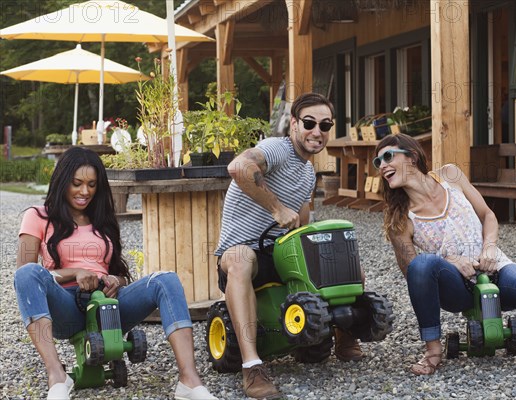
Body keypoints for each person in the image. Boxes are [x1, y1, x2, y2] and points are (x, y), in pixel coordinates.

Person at [373, 133, 516, 375]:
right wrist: (447, 260)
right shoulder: (400, 218)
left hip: (495, 268)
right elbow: (413, 272)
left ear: (413, 156)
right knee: (424, 262)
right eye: (378, 162)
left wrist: (489, 246)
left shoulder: (450, 176)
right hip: (457, 288)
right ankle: (432, 351)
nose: (382, 165)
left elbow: (487, 215)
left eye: (388, 156)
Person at [14, 147, 217, 400]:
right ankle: (57, 376)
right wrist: (76, 272)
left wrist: (115, 280)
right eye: (77, 184)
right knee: (26, 275)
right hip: (66, 307)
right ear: (62, 181)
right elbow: (25, 272)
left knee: (166, 280)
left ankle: (190, 381)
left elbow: (119, 273)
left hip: (108, 306)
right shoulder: (38, 216)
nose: (85, 192)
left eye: (91, 184)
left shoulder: (102, 218)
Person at [215, 92, 364, 399]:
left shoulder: (308, 172)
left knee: (345, 261)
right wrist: (277, 209)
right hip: (241, 252)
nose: (317, 131)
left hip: (279, 253)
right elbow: (239, 168)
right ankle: (251, 366)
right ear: (294, 124)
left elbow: (304, 221)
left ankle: (344, 336)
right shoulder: (277, 149)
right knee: (242, 258)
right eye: (309, 122)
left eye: (325, 125)